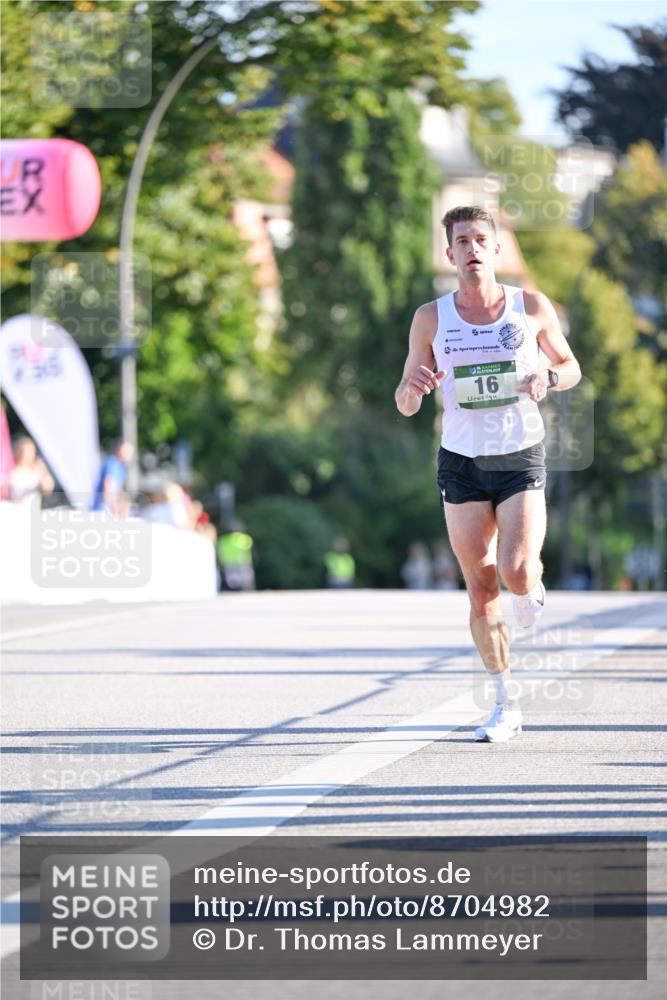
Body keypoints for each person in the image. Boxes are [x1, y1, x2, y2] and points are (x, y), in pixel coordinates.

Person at [395, 205, 581, 743]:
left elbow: (571, 367)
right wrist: (414, 390)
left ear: (496, 250)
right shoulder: (431, 318)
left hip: (519, 455)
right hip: (460, 461)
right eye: (461, 241)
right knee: (480, 587)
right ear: (450, 253)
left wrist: (548, 375)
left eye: (481, 239)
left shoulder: (530, 306)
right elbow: (405, 399)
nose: (472, 248)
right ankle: (505, 702)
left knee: (516, 571)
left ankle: (531, 585)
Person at [91, 440, 134, 517]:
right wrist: (113, 508)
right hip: (103, 509)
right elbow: (108, 484)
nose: (130, 455)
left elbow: (119, 490)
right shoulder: (113, 464)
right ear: (120, 450)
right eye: (128, 451)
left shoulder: (120, 468)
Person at [8, 436, 54, 505]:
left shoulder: (37, 467)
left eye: (30, 451)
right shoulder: (11, 467)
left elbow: (48, 488)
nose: (27, 454)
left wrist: (42, 475)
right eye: (25, 451)